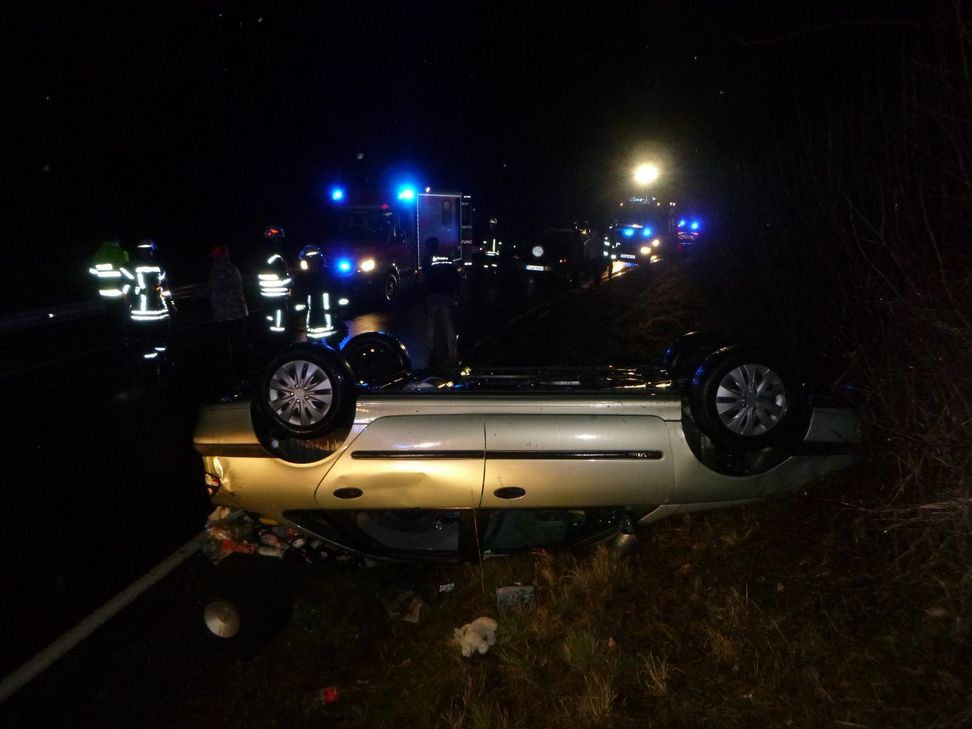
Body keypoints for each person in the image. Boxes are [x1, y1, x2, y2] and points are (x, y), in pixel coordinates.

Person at [207, 245, 257, 398]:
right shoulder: (218, 270)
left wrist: (204, 292)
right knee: (229, 346)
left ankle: (242, 376)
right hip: (225, 315)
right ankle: (235, 375)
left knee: (237, 345)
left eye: (217, 256)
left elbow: (225, 289)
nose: (215, 259)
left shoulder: (228, 270)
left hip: (233, 315)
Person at [128, 238, 177, 364]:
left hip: (152, 313)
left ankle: (158, 365)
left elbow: (164, 288)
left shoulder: (132, 267)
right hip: (150, 313)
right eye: (146, 251)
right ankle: (155, 368)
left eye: (148, 251)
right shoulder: (135, 267)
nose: (147, 253)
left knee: (154, 342)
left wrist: (171, 305)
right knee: (152, 343)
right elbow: (127, 288)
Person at [421, 236, 461, 374]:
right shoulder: (447, 258)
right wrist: (455, 292)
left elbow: (426, 276)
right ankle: (453, 352)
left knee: (431, 322)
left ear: (429, 246)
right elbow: (455, 276)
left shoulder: (427, 259)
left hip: (433, 294)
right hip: (446, 294)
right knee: (448, 322)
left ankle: (431, 350)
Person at [88, 236, 135, 347]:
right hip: (119, 292)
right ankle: (122, 342)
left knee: (111, 317)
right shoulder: (120, 252)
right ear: (117, 240)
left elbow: (92, 271)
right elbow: (128, 273)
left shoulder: (98, 252)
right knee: (121, 317)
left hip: (104, 292)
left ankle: (112, 341)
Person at [257, 225, 293, 336]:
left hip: (265, 298)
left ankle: (270, 345)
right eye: (278, 239)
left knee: (268, 323)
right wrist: (293, 279)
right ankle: (280, 346)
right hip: (278, 299)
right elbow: (283, 280)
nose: (280, 242)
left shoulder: (261, 256)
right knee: (278, 327)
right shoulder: (277, 257)